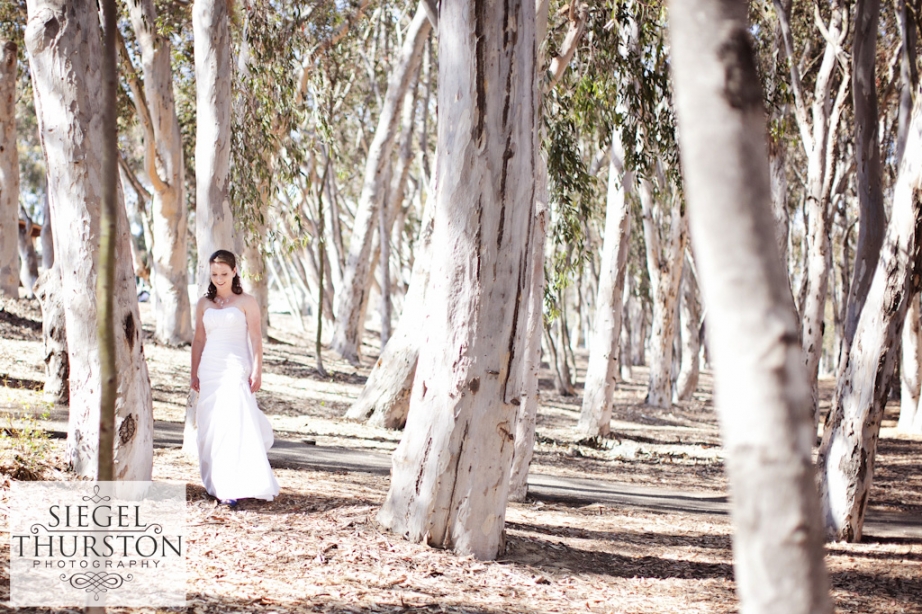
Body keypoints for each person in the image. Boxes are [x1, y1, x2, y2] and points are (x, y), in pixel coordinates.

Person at [190, 249, 280, 506]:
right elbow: (198, 339)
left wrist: (257, 369)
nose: (219, 278)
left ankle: (233, 484)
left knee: (234, 423)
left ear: (234, 271)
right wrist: (193, 372)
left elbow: (255, 337)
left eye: (224, 273)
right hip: (210, 368)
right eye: (215, 274)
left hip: (235, 366)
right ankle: (217, 482)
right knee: (212, 425)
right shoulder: (203, 304)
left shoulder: (246, 301)